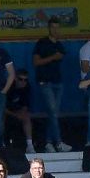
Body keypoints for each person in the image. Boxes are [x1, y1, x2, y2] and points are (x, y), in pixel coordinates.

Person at [32, 17, 70, 152]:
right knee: (53, 112)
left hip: (58, 82)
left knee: (53, 113)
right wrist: (53, 57)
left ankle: (48, 143)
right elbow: (36, 62)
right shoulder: (42, 43)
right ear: (49, 28)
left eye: (57, 27)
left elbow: (63, 55)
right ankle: (58, 143)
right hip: (45, 82)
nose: (55, 30)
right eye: (53, 27)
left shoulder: (59, 45)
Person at [5, 70, 36, 152]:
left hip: (17, 112)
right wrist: (14, 115)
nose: (23, 82)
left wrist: (21, 114)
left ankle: (29, 145)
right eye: (20, 79)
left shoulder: (27, 88)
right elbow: (2, 107)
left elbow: (25, 106)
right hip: (6, 112)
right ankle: (0, 143)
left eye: (25, 80)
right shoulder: (8, 87)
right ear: (15, 78)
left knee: (26, 116)